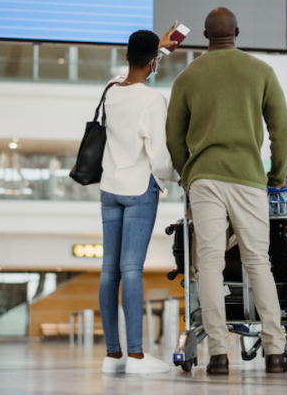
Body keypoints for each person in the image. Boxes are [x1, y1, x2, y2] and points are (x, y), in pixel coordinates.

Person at [166, 7, 287, 375]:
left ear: (205, 35)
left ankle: (218, 354)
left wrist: (188, 174)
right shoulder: (261, 72)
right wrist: (277, 175)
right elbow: (281, 130)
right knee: (258, 262)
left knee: (208, 265)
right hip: (249, 179)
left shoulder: (187, 77)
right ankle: (274, 350)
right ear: (237, 30)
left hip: (205, 178)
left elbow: (174, 136)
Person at [99, 25, 178, 375]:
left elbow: (128, 76)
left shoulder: (111, 91)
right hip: (138, 190)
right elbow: (159, 157)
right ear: (153, 64)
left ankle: (112, 355)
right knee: (131, 269)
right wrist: (176, 177)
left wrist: (154, 50)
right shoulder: (153, 100)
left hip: (109, 188)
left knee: (109, 270)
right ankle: (136, 357)